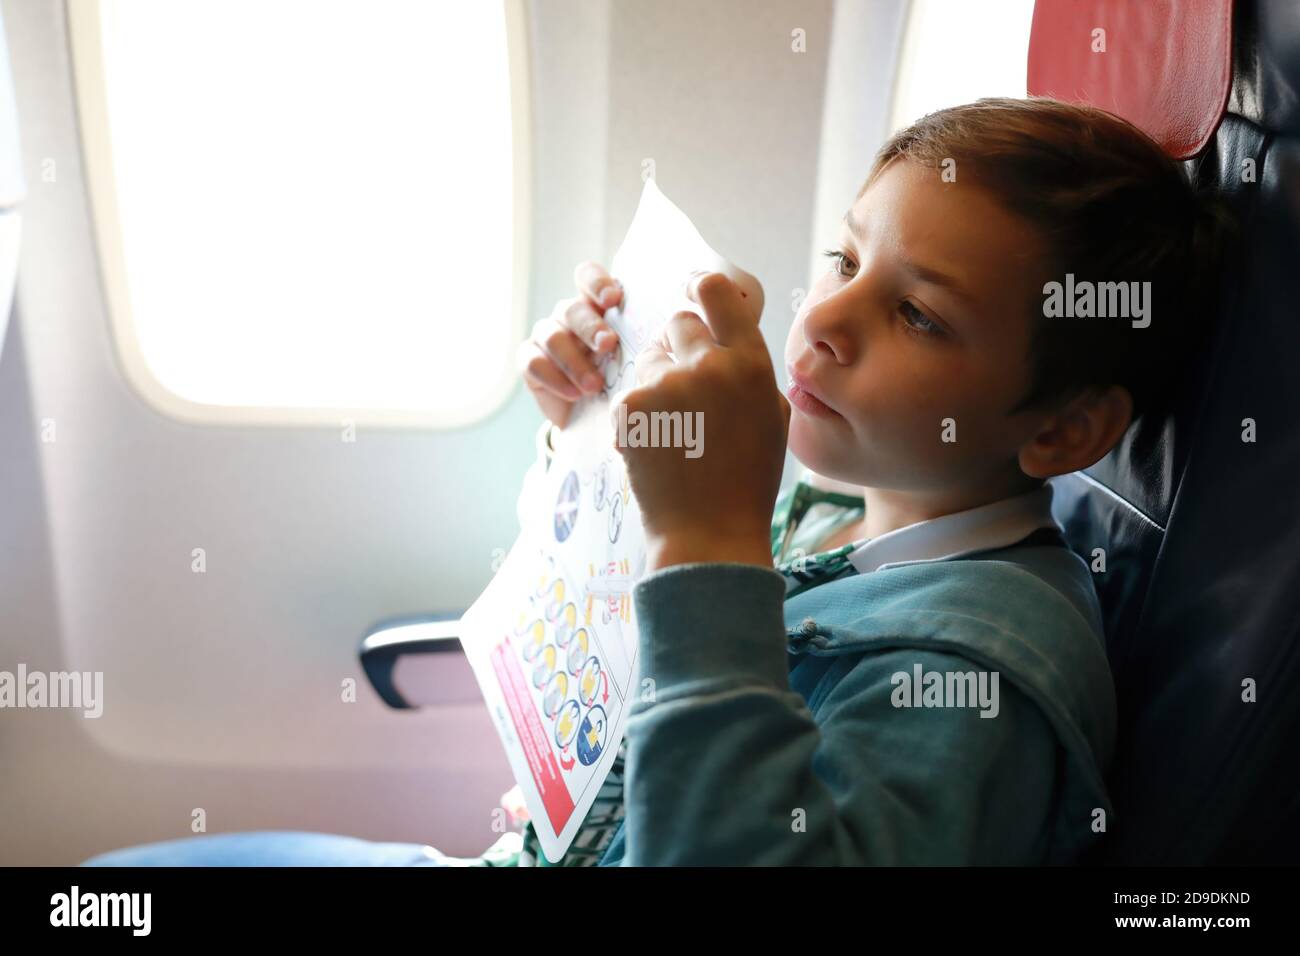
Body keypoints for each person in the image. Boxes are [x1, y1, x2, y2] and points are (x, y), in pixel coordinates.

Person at [84, 97, 1228, 867]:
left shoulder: (975, 687)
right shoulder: (840, 506)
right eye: (843, 259)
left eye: (917, 313)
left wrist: (710, 538)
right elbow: (610, 624)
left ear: (1064, 429)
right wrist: (589, 429)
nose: (821, 317)